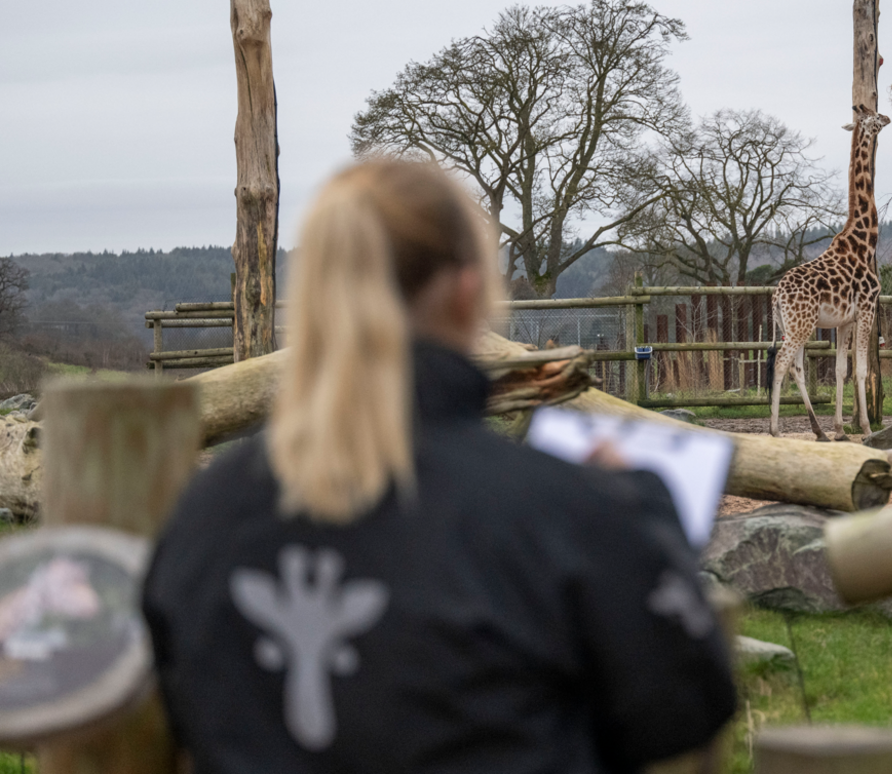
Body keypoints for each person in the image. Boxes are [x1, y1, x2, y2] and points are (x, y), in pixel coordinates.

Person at [142, 161, 736, 773]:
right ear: (467, 290)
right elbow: (682, 706)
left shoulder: (201, 520)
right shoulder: (555, 517)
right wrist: (639, 514)